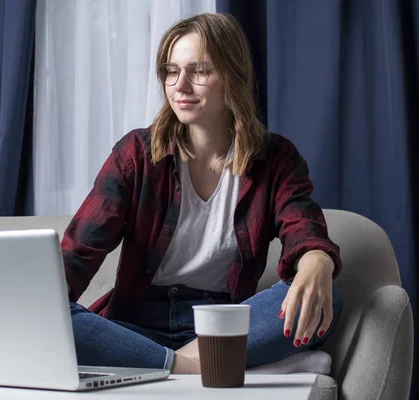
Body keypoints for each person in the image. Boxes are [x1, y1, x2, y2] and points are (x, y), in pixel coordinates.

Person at [62, 12, 343, 375]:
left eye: (199, 71)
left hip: (223, 322)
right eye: (171, 71)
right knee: (50, 316)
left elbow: (301, 225)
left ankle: (169, 363)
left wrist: (316, 259)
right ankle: (203, 366)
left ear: (233, 76)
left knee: (330, 294)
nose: (180, 86)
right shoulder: (137, 154)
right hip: (136, 325)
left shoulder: (275, 159)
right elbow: (78, 252)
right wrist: (41, 306)